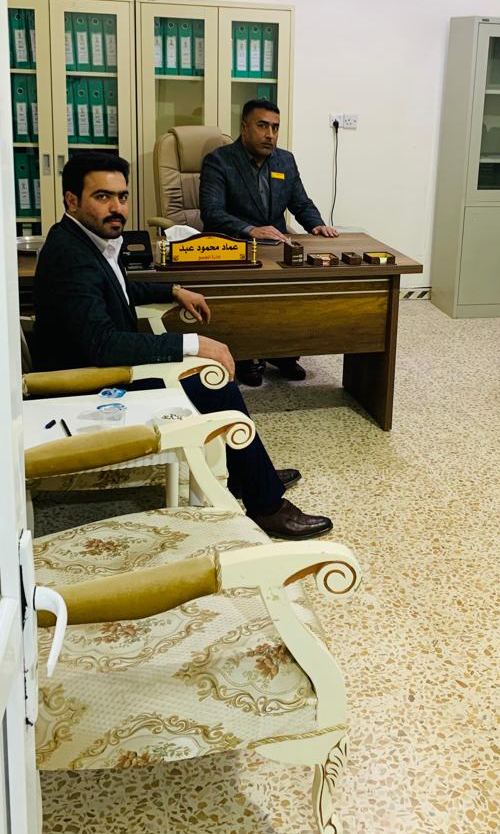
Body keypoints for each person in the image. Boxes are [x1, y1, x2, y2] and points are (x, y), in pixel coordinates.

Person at [31, 151, 333, 542]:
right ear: (72, 200)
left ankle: (248, 473)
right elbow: (103, 345)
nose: (117, 208)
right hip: (89, 387)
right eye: (102, 197)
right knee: (213, 383)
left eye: (122, 197)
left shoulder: (86, 240)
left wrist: (173, 289)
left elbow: (119, 291)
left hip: (98, 367)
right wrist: (193, 343)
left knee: (214, 380)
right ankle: (266, 505)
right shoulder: (71, 257)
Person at [200, 99, 339, 385]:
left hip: (275, 247)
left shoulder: (285, 160)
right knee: (250, 298)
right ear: (244, 127)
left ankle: (283, 352)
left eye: (275, 128)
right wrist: (250, 229)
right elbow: (212, 212)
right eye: (262, 126)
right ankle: (246, 356)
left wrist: (317, 225)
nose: (270, 135)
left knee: (293, 294)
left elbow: (301, 203)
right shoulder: (219, 160)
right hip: (236, 248)